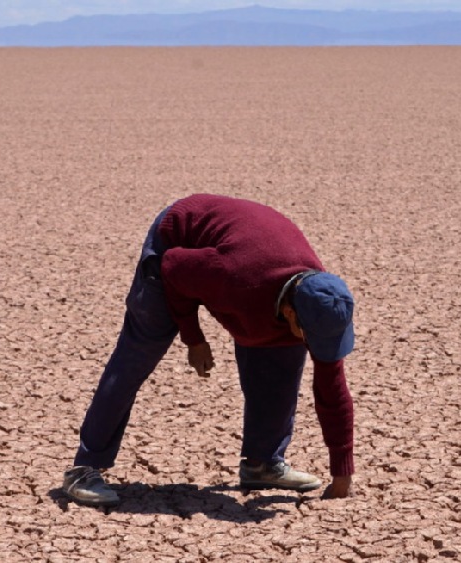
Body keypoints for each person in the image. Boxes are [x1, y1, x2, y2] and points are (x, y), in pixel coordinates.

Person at [62, 194, 355, 507]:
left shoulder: (322, 302)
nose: (314, 343)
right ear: (292, 311)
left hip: (246, 267)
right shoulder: (236, 276)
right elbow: (173, 266)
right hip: (177, 242)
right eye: (308, 334)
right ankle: (84, 468)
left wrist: (342, 475)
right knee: (138, 353)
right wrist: (194, 338)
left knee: (280, 361)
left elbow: (332, 390)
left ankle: (262, 463)